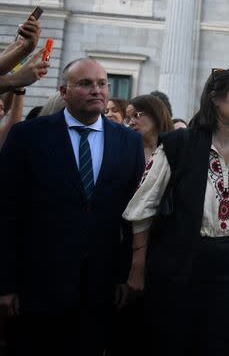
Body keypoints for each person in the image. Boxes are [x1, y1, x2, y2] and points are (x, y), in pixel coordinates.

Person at [123, 67, 229, 355]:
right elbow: (143, 208)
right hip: (180, 266)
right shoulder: (179, 144)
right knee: (175, 341)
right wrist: (138, 266)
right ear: (216, 98)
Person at [0, 57, 145, 355]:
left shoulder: (129, 141)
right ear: (64, 92)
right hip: (37, 287)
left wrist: (123, 275)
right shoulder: (29, 136)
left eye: (102, 83)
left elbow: (131, 215)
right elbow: (7, 212)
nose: (97, 90)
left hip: (99, 288)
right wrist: (5, 283)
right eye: (86, 84)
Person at [126, 95, 174, 163]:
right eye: (128, 118)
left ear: (155, 114)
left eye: (136, 115)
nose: (131, 123)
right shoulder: (127, 150)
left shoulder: (176, 149)